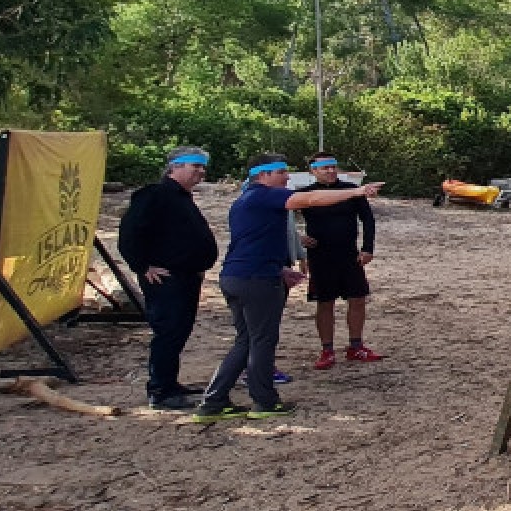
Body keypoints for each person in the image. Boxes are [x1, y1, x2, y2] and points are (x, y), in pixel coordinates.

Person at [191, 154, 383, 423]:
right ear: (263, 175)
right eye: (281, 172)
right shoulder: (263, 195)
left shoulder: (246, 200)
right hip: (255, 280)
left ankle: (213, 402)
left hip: (239, 275)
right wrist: (357, 191)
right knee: (262, 341)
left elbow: (252, 242)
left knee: (245, 341)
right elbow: (312, 199)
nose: (287, 177)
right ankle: (264, 401)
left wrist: (279, 269)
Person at [118, 147, 219, 410]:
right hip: (165, 279)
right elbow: (130, 232)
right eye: (194, 166)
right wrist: (142, 266)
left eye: (202, 167)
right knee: (168, 331)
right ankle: (160, 390)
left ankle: (170, 382)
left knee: (180, 331)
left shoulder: (183, 198)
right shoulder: (155, 194)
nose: (200, 171)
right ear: (174, 166)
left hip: (187, 276)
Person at [295, 151, 382, 370]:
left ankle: (356, 346)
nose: (331, 171)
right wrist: (297, 239)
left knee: (357, 298)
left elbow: (368, 220)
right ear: (313, 171)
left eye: (333, 167)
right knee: (325, 303)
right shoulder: (305, 194)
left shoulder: (352, 191)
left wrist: (368, 248)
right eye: (325, 168)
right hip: (320, 255)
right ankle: (327, 350)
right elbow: (278, 219)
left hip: (349, 254)